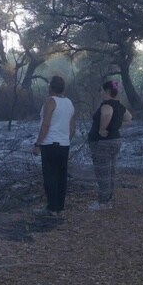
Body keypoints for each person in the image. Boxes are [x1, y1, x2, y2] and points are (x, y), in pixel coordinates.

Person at [31, 75, 76, 217]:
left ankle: (51, 209)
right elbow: (72, 127)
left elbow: (46, 124)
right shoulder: (69, 103)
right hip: (64, 144)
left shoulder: (50, 101)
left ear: (50, 87)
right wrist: (66, 139)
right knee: (61, 176)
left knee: (50, 176)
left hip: (50, 143)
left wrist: (37, 143)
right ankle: (60, 208)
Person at [87, 79, 132, 210]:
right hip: (115, 140)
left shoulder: (107, 105)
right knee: (110, 171)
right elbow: (129, 118)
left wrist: (102, 129)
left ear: (107, 91)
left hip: (102, 143)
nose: (100, 92)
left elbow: (107, 113)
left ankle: (103, 203)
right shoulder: (120, 105)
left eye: (101, 90)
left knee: (102, 172)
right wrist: (115, 126)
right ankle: (108, 199)